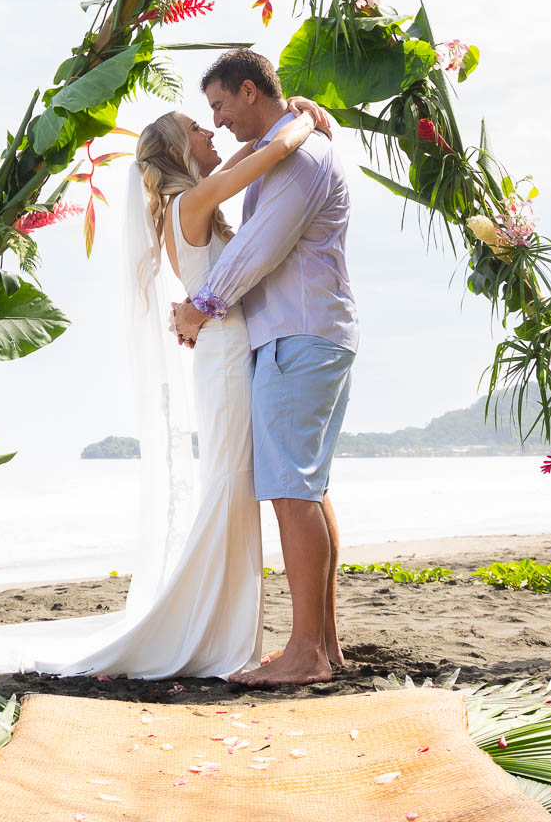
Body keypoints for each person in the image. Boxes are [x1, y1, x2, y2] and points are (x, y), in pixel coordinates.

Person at [0, 90, 331, 681]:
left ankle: (224, 628)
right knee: (230, 486)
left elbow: (248, 158)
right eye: (197, 126)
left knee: (234, 487)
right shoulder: (192, 201)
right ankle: (204, 631)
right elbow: (269, 155)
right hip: (226, 359)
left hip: (228, 353)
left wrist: (287, 120)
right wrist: (303, 119)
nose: (211, 131)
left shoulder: (196, 198)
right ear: (178, 150)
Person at [170, 48, 357, 688]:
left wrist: (201, 305)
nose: (217, 120)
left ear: (250, 91)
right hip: (311, 333)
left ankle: (307, 652)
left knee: (292, 491)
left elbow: (259, 247)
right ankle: (323, 644)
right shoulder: (287, 148)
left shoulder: (298, 157)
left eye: (220, 105)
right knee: (309, 487)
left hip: (296, 336)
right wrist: (299, 115)